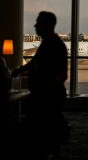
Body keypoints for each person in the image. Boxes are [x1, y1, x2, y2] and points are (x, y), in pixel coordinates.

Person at [12, 11, 69, 160]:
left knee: (45, 135)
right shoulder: (47, 43)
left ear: (49, 25)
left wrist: (45, 92)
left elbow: (63, 75)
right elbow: (35, 63)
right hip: (44, 95)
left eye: (39, 22)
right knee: (44, 133)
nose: (35, 25)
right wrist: (19, 70)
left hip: (48, 97)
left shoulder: (55, 44)